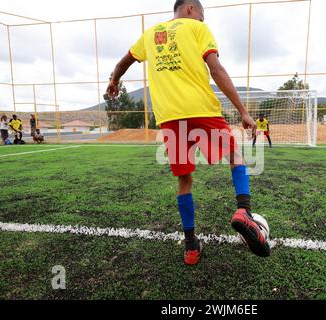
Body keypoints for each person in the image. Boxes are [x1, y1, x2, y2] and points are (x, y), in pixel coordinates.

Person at [107, 0, 270, 265]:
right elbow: (215, 69)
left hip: (170, 117)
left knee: (184, 179)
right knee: (235, 153)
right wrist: (243, 111)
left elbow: (124, 62)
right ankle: (244, 212)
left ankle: (191, 247)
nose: (202, 20)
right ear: (191, 9)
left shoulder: (150, 34)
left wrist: (114, 81)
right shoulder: (196, 28)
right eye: (202, 16)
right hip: (201, 109)